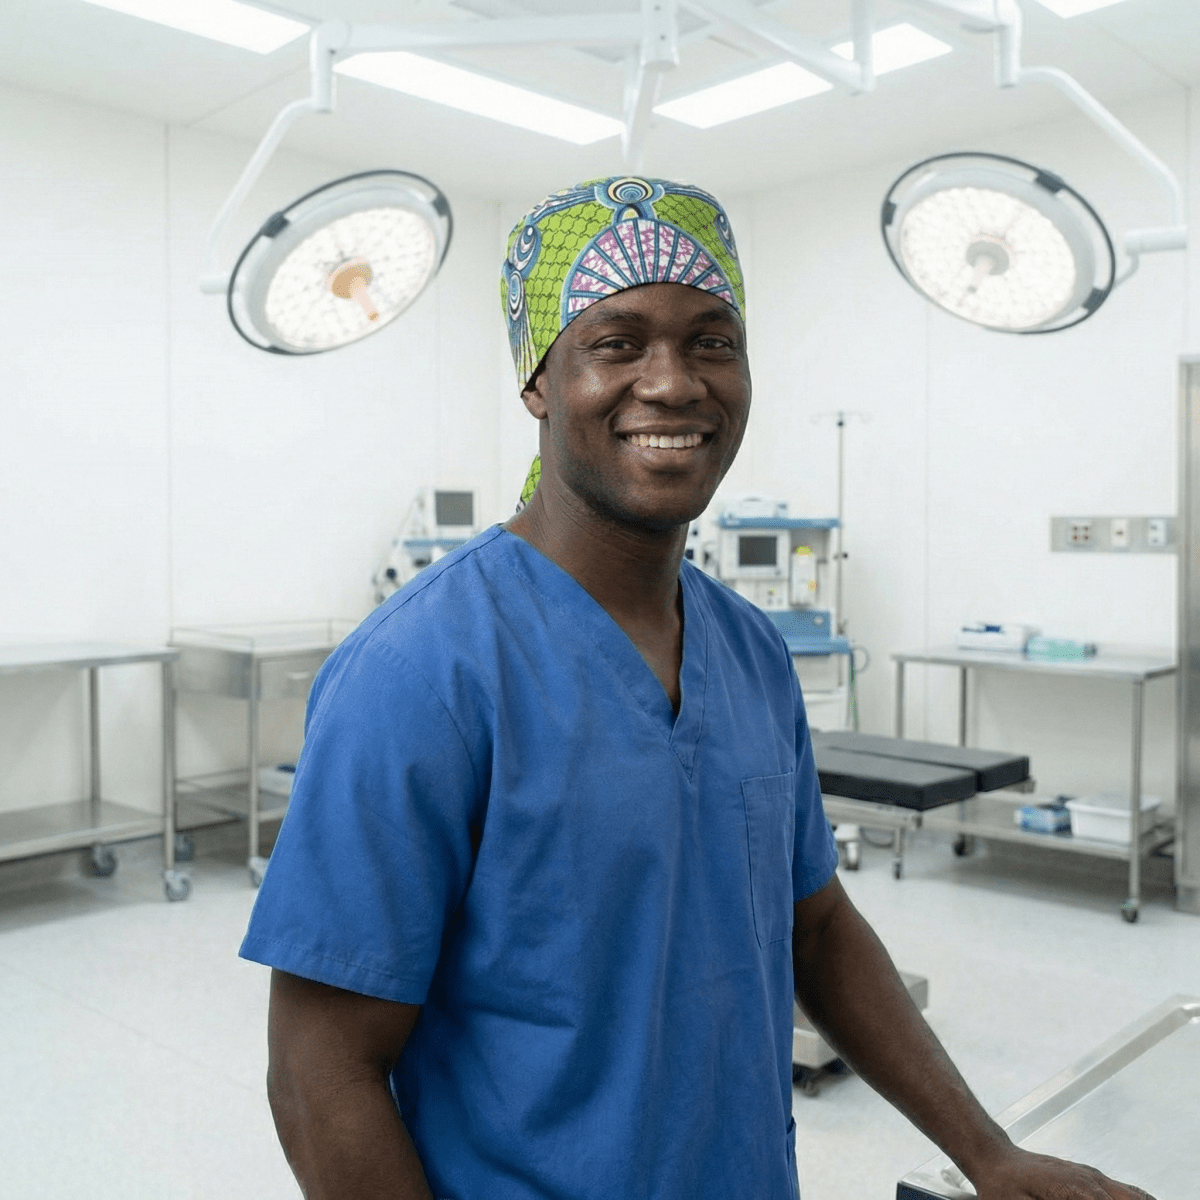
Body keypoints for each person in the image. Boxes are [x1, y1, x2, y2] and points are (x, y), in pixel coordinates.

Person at [240, 176, 1154, 1200]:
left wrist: (989, 1154)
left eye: (712, 341)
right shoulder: (418, 675)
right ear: (538, 379)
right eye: (617, 342)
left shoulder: (752, 652)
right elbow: (320, 1076)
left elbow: (815, 927)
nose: (673, 383)